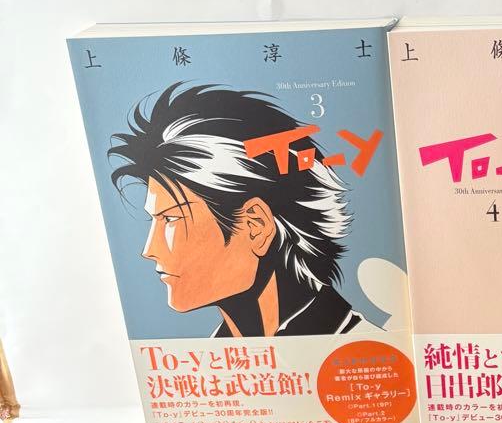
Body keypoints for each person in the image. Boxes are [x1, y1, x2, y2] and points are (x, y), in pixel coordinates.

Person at [109, 82, 370, 337]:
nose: (149, 250)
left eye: (171, 218)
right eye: (155, 220)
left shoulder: (362, 347)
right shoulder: (210, 359)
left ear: (256, 226)